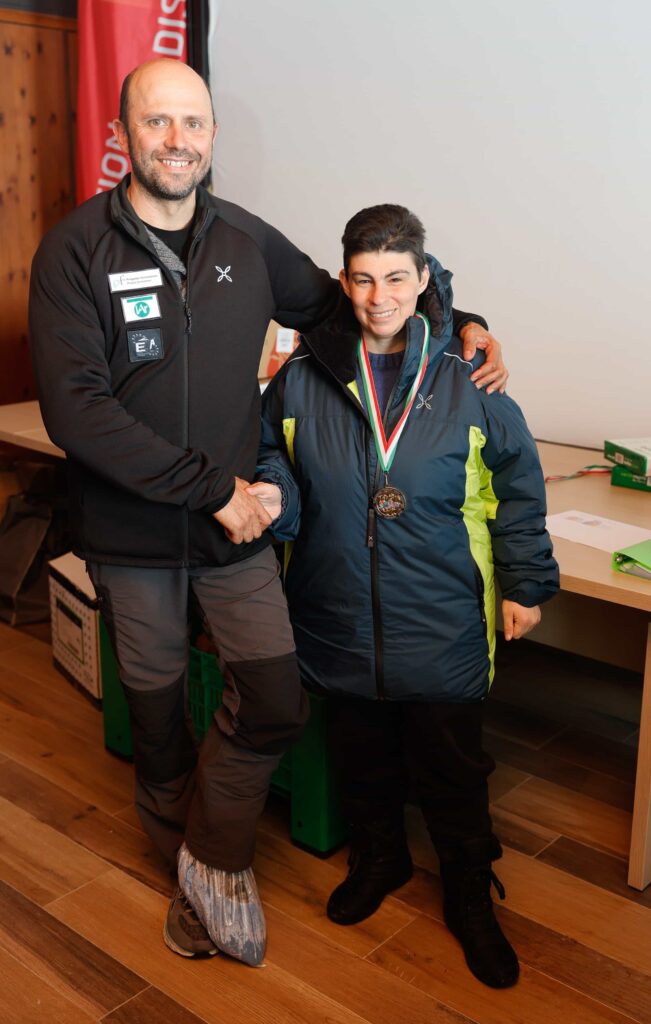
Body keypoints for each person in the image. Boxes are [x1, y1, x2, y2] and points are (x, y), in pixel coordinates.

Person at [28, 60, 507, 966]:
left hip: (231, 535)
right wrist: (215, 489)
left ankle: (216, 860)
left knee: (276, 701)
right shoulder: (73, 252)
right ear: (125, 133)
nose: (179, 141)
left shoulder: (243, 240)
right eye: (158, 123)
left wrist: (457, 314)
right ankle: (186, 874)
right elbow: (77, 411)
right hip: (139, 538)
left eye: (194, 124)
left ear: (211, 136)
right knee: (159, 720)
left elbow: (352, 302)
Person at [252, 204, 558, 987]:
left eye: (395, 278)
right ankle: (380, 861)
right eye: (362, 278)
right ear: (343, 280)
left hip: (441, 616)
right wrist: (273, 499)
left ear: (424, 282)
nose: (377, 295)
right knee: (361, 755)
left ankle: (466, 894)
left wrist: (524, 583)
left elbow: (516, 491)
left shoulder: (469, 380)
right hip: (336, 609)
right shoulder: (300, 379)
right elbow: (270, 461)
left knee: (454, 769)